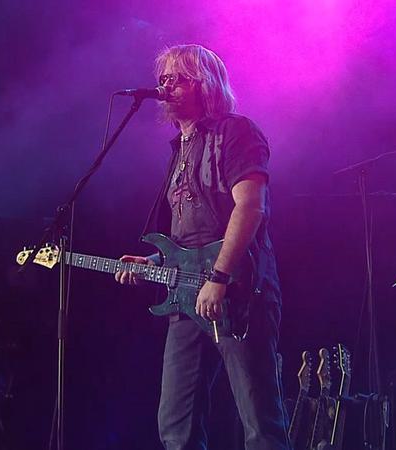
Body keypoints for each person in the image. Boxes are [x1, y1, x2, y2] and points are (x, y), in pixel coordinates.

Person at [114, 44, 290, 450]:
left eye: (177, 78)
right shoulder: (180, 148)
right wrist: (155, 261)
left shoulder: (236, 132)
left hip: (240, 288)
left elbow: (250, 207)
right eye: (163, 78)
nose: (165, 86)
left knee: (259, 421)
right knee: (176, 425)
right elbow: (188, 238)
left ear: (204, 84)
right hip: (188, 297)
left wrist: (219, 276)